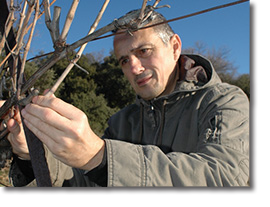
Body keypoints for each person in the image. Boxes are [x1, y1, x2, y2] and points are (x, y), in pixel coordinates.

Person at [2, 9, 249, 187]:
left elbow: (225, 178)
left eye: (143, 51)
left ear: (174, 47)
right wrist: (32, 153)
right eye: (124, 60)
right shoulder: (122, 122)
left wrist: (100, 156)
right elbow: (85, 183)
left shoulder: (225, 102)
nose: (134, 68)